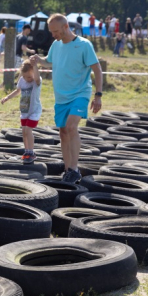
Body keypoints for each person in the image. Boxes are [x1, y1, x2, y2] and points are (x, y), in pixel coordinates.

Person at [30, 14, 103, 184]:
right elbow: (49, 62)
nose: (53, 35)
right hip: (61, 96)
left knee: (71, 127)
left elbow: (98, 70)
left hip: (80, 93)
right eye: (51, 32)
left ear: (65, 27)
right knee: (63, 131)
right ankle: (68, 169)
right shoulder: (56, 45)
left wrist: (98, 95)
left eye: (55, 31)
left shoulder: (84, 45)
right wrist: (37, 60)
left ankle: (75, 169)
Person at [1, 59, 42, 163]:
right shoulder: (22, 80)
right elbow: (17, 91)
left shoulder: (36, 82)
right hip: (24, 111)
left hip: (34, 111)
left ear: (34, 72)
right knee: (24, 132)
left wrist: (35, 65)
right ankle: (27, 151)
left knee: (28, 130)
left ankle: (31, 152)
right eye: (24, 76)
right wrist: (7, 97)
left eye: (29, 76)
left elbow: (36, 78)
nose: (27, 79)